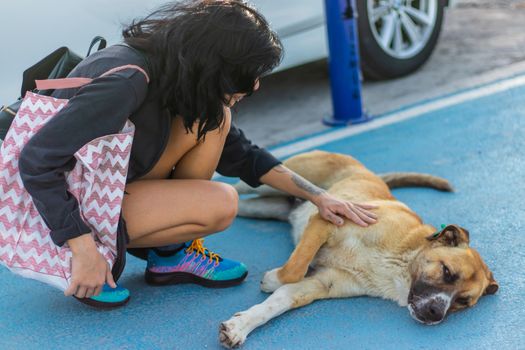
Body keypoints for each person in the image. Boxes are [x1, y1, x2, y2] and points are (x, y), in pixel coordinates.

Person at [18, 0, 378, 308]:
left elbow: (241, 153)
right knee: (220, 203)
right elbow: (36, 161)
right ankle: (84, 261)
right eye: (248, 76)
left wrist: (318, 196)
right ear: (215, 64)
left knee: (216, 119)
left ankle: (169, 254)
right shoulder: (127, 81)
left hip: (100, 188)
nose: (254, 85)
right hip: (55, 208)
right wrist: (81, 249)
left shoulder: (173, 72)